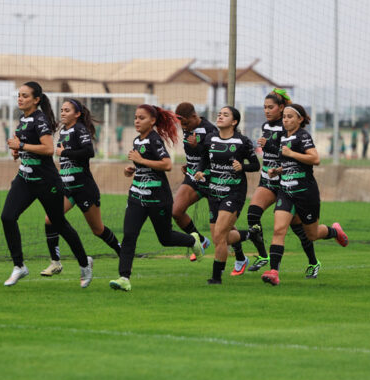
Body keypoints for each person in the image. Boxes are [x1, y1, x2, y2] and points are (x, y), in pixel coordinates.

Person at [1, 82, 94, 288]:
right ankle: (19, 266)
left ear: (36, 100)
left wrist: (22, 145)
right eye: (19, 95)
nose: (20, 98)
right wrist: (18, 151)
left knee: (59, 223)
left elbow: (48, 149)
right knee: (7, 217)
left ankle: (84, 263)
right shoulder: (22, 119)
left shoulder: (40, 119)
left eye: (25, 96)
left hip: (46, 181)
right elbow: (25, 148)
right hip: (25, 179)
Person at [109, 104, 204, 292]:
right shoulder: (137, 141)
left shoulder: (154, 140)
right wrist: (133, 169)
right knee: (129, 236)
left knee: (165, 238)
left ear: (152, 121)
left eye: (141, 118)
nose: (137, 121)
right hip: (137, 196)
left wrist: (141, 161)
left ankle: (192, 241)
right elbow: (146, 166)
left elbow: (167, 164)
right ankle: (124, 278)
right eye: (135, 117)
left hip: (158, 198)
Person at [262, 104, 349, 286]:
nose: (286, 120)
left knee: (312, 234)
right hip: (285, 191)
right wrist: (278, 171)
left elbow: (315, 159)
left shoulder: (303, 136)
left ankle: (334, 231)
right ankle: (273, 272)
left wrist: (291, 153)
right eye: (284, 117)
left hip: (305, 193)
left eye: (290, 117)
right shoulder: (283, 138)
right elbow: (289, 164)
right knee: (279, 230)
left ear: (300, 119)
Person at [40, 98, 121, 276]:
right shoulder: (63, 131)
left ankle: (122, 252)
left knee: (97, 229)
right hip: (67, 187)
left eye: (67, 110)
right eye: (61, 110)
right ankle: (55, 263)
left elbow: (88, 152)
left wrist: (64, 152)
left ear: (77, 114)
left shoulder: (80, 129)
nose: (62, 113)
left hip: (84, 187)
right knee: (50, 219)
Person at [246, 89, 319, 278]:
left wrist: (272, 148)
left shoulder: (294, 132)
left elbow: (289, 154)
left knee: (305, 232)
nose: (267, 111)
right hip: (272, 180)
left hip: (292, 186)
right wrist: (275, 168)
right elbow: (281, 155)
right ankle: (268, 263)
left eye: (271, 107)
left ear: (281, 109)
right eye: (264, 107)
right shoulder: (268, 126)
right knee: (259, 217)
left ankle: (313, 261)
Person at [194, 106, 260, 285]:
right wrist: (200, 172)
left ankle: (216, 277)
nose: (220, 117)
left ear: (234, 121)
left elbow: (255, 165)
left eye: (225, 115)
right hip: (214, 191)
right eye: (219, 114)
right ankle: (250, 235)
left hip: (234, 193)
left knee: (219, 236)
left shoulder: (242, 141)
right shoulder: (210, 139)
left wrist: (243, 167)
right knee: (219, 238)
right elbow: (204, 160)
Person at [172, 102, 216, 261]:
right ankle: (201, 240)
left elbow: (216, 156)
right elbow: (193, 154)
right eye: (181, 124)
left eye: (186, 123)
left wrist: (198, 147)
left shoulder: (210, 130)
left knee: (222, 227)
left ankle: (240, 256)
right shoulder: (187, 128)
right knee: (176, 211)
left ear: (194, 116)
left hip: (212, 179)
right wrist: (189, 164)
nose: (185, 127)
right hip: (192, 177)